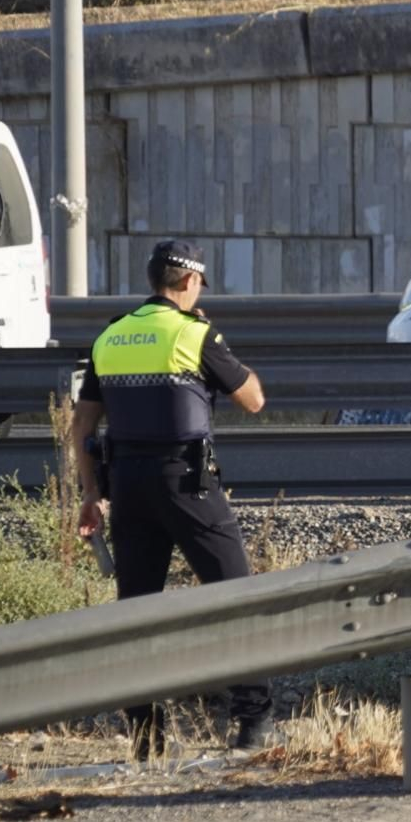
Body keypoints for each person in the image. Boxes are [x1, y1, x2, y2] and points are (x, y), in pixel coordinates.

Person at [71, 239, 277, 760]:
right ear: (188, 282)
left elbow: (81, 426)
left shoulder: (110, 335)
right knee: (236, 595)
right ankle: (253, 725)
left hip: (126, 486)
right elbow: (253, 399)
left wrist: (92, 495)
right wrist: (217, 347)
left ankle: (147, 738)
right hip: (185, 481)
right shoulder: (194, 332)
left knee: (136, 611)